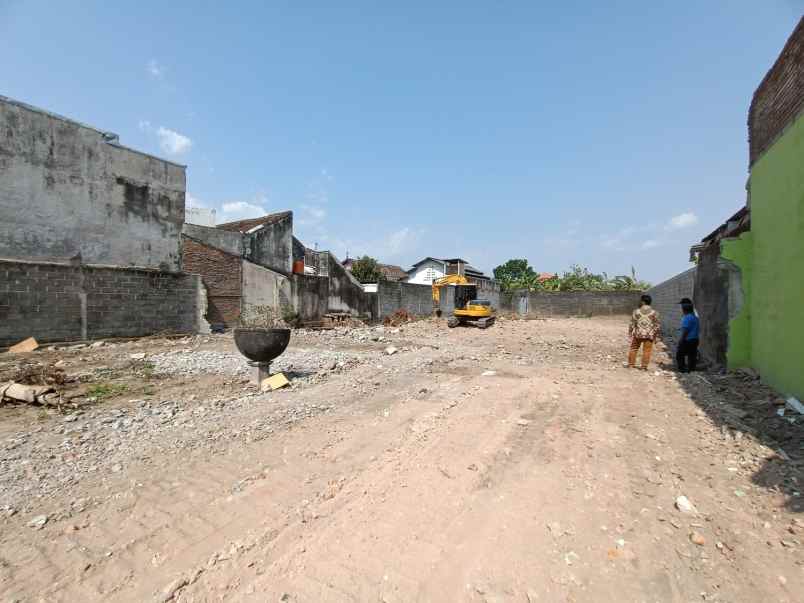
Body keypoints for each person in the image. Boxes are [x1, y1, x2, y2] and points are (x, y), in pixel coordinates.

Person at [628, 294, 660, 370]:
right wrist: (656, 335)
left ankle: (631, 365)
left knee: (634, 348)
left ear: (642, 302)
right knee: (647, 351)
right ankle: (644, 367)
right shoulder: (654, 313)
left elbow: (632, 323)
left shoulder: (636, 312)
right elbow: (657, 326)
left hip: (638, 334)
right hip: (649, 335)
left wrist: (630, 332)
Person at [676, 298, 700, 372]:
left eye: (682, 307)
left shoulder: (687, 318)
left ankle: (682, 369)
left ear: (684, 309)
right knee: (692, 355)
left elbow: (686, 330)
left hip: (688, 340)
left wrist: (681, 340)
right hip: (695, 339)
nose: (681, 308)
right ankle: (691, 369)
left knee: (680, 354)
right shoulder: (695, 317)